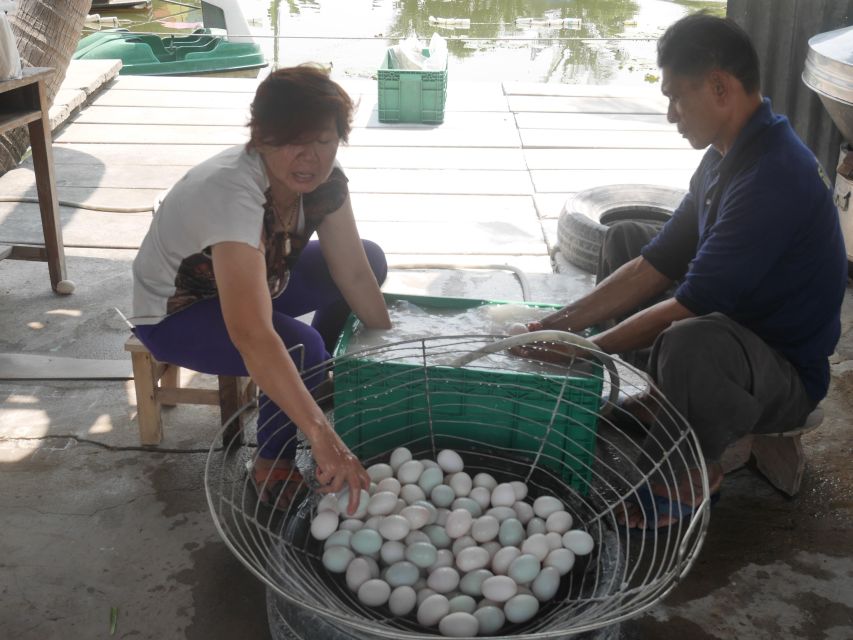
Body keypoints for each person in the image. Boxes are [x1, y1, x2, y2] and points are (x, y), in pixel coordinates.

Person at [517, 13, 848, 530]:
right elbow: (656, 262)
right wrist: (560, 324)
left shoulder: (772, 175)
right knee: (627, 236)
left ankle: (686, 479)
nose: (671, 114)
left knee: (690, 340)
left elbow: (691, 301)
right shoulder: (725, 155)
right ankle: (651, 396)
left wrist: (586, 348)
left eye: (676, 97)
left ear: (719, 87)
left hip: (781, 370)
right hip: (735, 327)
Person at [130, 65, 391, 514]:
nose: (310, 158)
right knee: (298, 346)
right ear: (261, 138)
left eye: (324, 142)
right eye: (294, 141)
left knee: (370, 257)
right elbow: (252, 334)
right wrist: (326, 440)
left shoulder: (325, 181)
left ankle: (314, 383)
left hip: (259, 281)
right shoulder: (231, 191)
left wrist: (395, 350)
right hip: (177, 312)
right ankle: (271, 460)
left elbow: (351, 272)